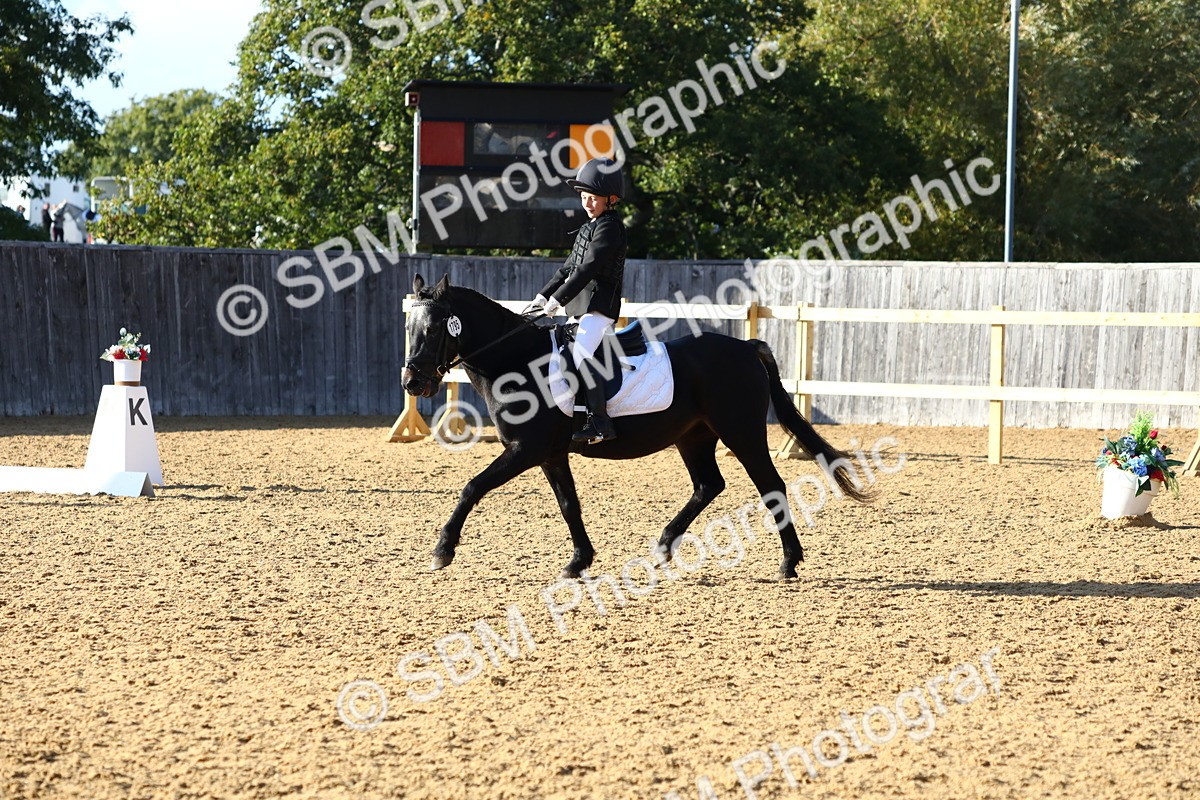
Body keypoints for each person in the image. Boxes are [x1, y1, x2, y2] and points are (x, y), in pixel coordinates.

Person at [524, 157, 627, 444]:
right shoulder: (587, 228)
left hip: (599, 307)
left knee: (580, 355)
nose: (587, 203)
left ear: (611, 199)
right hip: (581, 308)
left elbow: (587, 269)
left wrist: (558, 300)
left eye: (593, 198)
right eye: (584, 197)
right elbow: (567, 269)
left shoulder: (610, 228)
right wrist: (542, 296)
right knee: (559, 355)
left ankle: (600, 423)